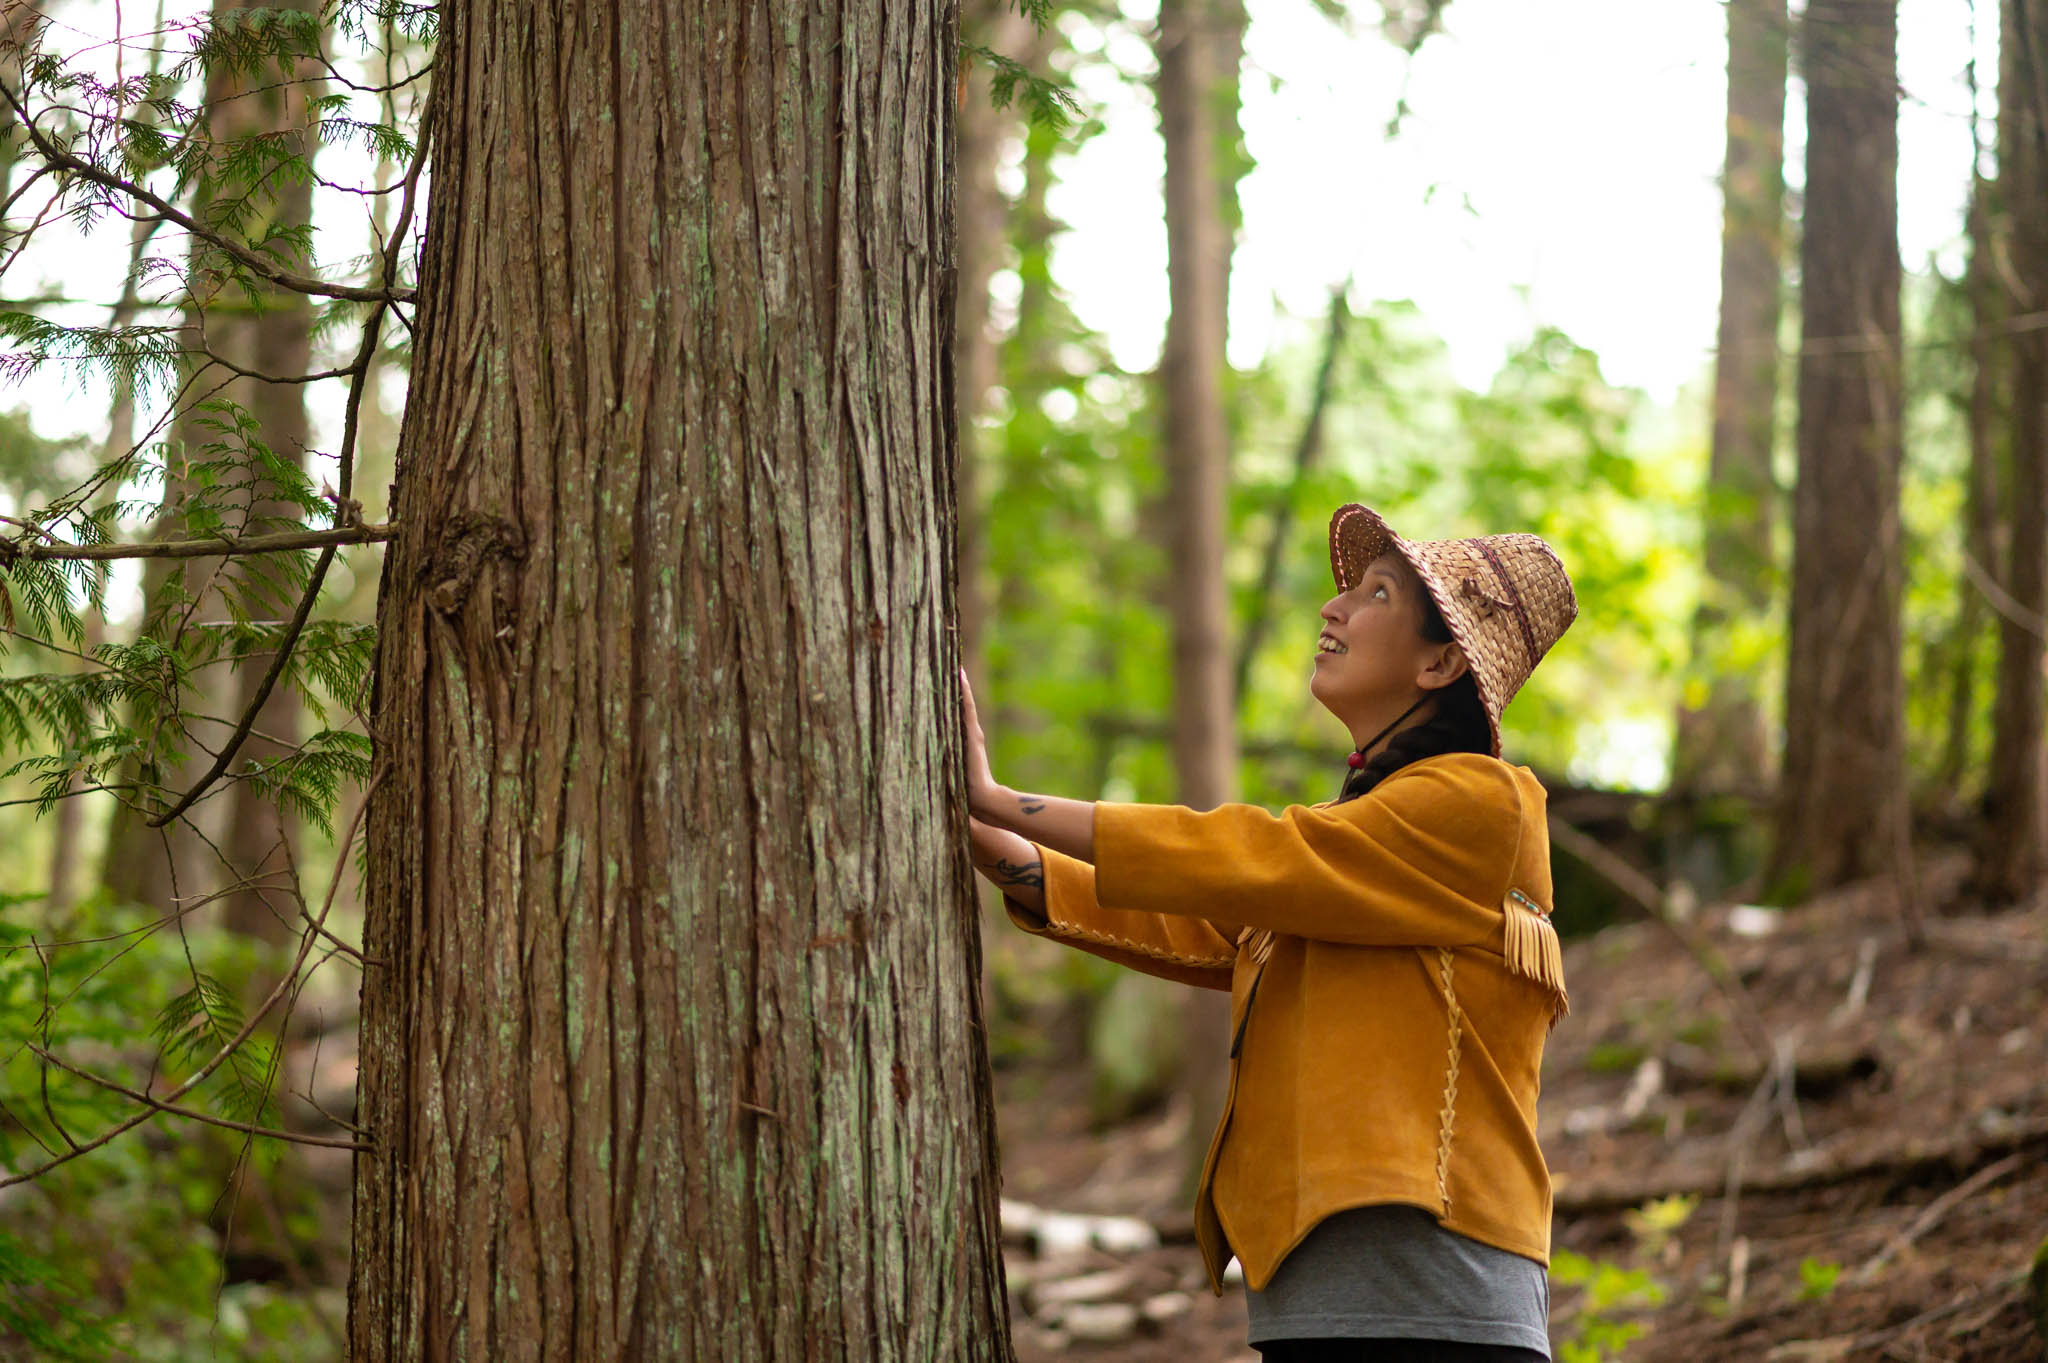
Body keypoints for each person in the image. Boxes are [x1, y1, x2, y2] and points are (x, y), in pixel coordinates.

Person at [962, 503, 1579, 1363]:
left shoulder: (1478, 800)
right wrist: (1011, 855)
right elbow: (1220, 920)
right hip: (1331, 1290)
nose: (1333, 607)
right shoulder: (1355, 846)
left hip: (1431, 1289)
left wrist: (1006, 800)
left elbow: (1256, 857)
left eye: (1376, 594)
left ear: (1440, 660)